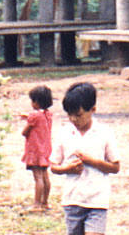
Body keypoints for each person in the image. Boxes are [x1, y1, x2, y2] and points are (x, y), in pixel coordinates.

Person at [50, 82, 119, 235]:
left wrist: (92, 161)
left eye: (79, 115)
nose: (74, 119)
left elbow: (115, 166)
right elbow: (53, 165)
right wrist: (67, 169)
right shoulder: (64, 133)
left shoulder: (104, 132)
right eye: (70, 115)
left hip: (97, 201)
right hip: (72, 200)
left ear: (93, 109)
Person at [19, 84, 54, 210]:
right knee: (45, 176)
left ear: (37, 102)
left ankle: (36, 204)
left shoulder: (34, 116)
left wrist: (28, 121)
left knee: (38, 177)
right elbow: (37, 119)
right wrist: (27, 117)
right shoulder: (48, 115)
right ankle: (45, 202)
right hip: (46, 150)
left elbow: (25, 132)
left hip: (35, 150)